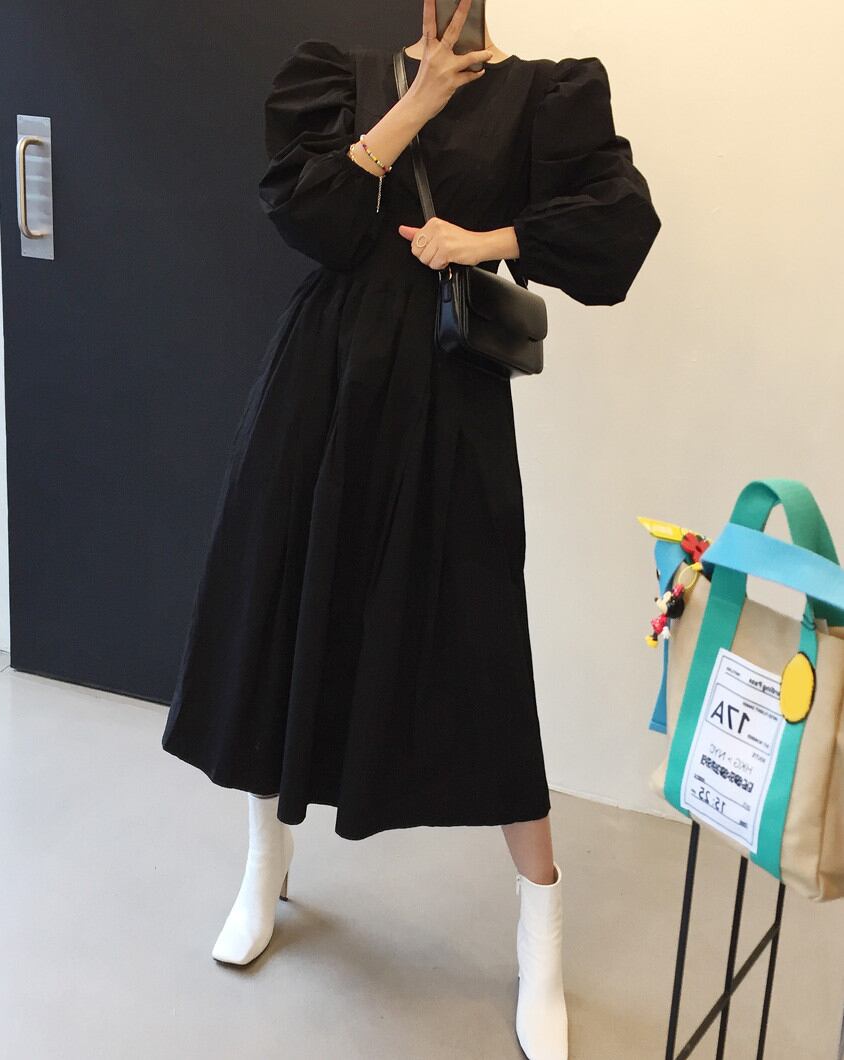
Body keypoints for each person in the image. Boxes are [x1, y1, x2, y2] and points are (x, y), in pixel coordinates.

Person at [161, 2, 661, 1056]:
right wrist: (416, 101)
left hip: (449, 398)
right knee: (287, 613)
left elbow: (619, 225)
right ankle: (264, 861)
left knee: (481, 645)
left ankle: (541, 933)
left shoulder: (545, 92)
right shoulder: (338, 75)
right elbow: (311, 220)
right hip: (319, 387)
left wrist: (488, 240)